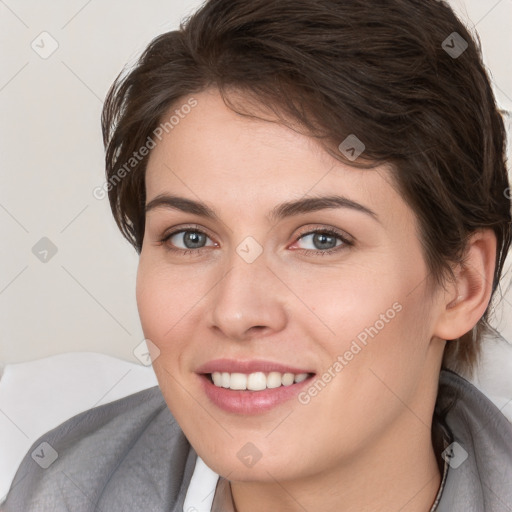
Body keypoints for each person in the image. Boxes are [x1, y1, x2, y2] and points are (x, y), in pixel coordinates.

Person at [3, 0, 512, 510]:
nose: (236, 312)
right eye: (191, 238)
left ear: (462, 285)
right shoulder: (44, 479)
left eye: (321, 239)